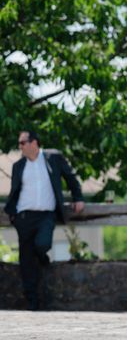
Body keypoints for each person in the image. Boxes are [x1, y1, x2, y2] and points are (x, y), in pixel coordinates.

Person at [4, 130, 85, 310]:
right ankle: (32, 301)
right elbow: (14, 192)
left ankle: (42, 257)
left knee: (42, 245)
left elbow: (71, 178)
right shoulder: (18, 166)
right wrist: (13, 215)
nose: (20, 147)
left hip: (46, 215)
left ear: (34, 143)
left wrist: (78, 197)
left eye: (22, 143)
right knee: (26, 261)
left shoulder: (53, 158)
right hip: (23, 217)